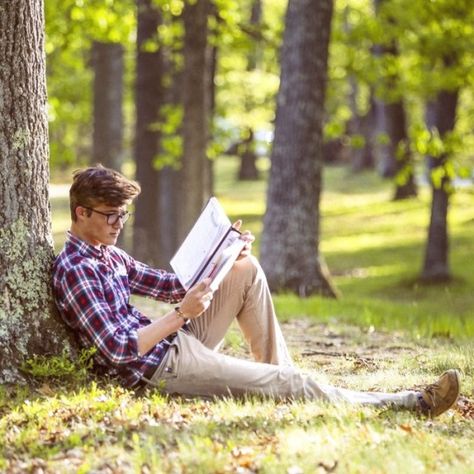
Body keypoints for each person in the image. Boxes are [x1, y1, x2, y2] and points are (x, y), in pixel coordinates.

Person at [52, 165, 460, 418]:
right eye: (110, 215)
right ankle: (410, 403)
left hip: (174, 344)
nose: (118, 223)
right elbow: (120, 350)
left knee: (246, 270)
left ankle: (280, 378)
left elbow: (173, 284)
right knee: (295, 384)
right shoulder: (76, 269)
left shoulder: (109, 255)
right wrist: (180, 315)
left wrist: (226, 252)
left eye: (122, 214)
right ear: (81, 213)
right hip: (159, 368)